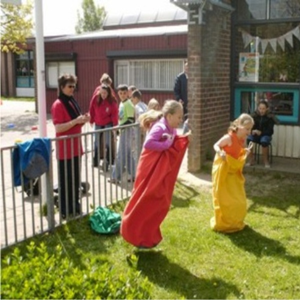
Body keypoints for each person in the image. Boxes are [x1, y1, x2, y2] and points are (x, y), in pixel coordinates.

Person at [121, 100, 191, 249]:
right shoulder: (160, 127)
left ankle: (146, 235)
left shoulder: (171, 128)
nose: (180, 120)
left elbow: (171, 142)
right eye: (179, 117)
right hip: (148, 169)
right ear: (170, 115)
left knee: (156, 202)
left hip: (156, 170)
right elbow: (148, 144)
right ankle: (131, 230)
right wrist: (166, 145)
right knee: (144, 199)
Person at [51, 74, 90, 219]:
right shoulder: (58, 104)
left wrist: (84, 120)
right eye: (69, 86)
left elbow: (76, 122)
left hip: (75, 148)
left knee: (74, 180)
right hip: (65, 150)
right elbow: (58, 128)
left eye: (74, 86)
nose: (72, 89)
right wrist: (75, 121)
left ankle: (75, 206)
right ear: (62, 87)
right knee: (65, 181)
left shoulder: (72, 101)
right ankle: (64, 210)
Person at [211, 113, 254, 233]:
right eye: (247, 129)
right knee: (224, 199)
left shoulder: (242, 140)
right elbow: (216, 145)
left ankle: (235, 222)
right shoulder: (229, 138)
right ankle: (224, 224)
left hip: (233, 172)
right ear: (239, 126)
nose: (249, 132)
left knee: (239, 200)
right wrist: (220, 152)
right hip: (223, 171)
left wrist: (244, 152)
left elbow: (237, 153)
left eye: (250, 129)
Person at [109, 84, 136, 184]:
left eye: (124, 93)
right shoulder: (122, 103)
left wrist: (118, 127)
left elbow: (130, 120)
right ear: (118, 94)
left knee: (121, 155)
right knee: (128, 155)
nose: (122, 95)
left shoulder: (128, 104)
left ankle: (115, 177)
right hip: (124, 131)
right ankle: (135, 175)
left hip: (127, 131)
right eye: (120, 93)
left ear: (127, 93)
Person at [89, 84, 118, 170]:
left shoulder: (112, 101)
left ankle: (109, 161)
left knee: (108, 143)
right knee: (97, 142)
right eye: (102, 93)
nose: (103, 95)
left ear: (108, 93)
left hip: (108, 123)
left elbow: (114, 114)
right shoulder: (96, 98)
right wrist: (91, 120)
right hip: (98, 122)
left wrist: (115, 125)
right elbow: (91, 109)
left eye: (105, 93)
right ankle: (96, 160)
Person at [247, 100, 279, 168]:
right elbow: (250, 126)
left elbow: (270, 131)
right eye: (260, 108)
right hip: (255, 135)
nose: (261, 110)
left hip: (266, 135)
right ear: (258, 108)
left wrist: (261, 133)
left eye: (263, 109)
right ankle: (251, 160)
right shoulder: (254, 116)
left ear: (267, 109)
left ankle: (265, 161)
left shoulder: (270, 117)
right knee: (249, 139)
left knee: (264, 141)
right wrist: (252, 130)